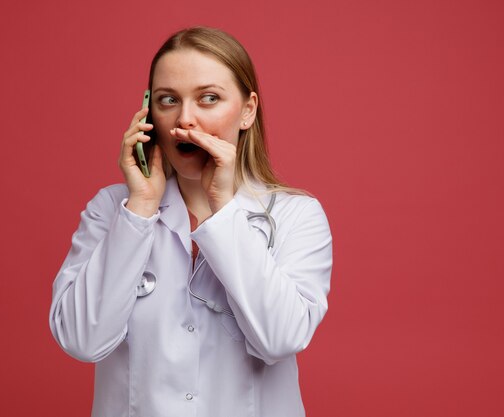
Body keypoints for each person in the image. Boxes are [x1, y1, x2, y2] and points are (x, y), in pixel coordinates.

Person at [49, 26, 332, 417]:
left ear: (248, 110)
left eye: (209, 99)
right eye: (168, 100)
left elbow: (280, 339)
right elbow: (82, 340)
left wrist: (224, 209)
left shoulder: (296, 215)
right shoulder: (112, 209)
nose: (185, 119)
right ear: (150, 113)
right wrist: (141, 208)